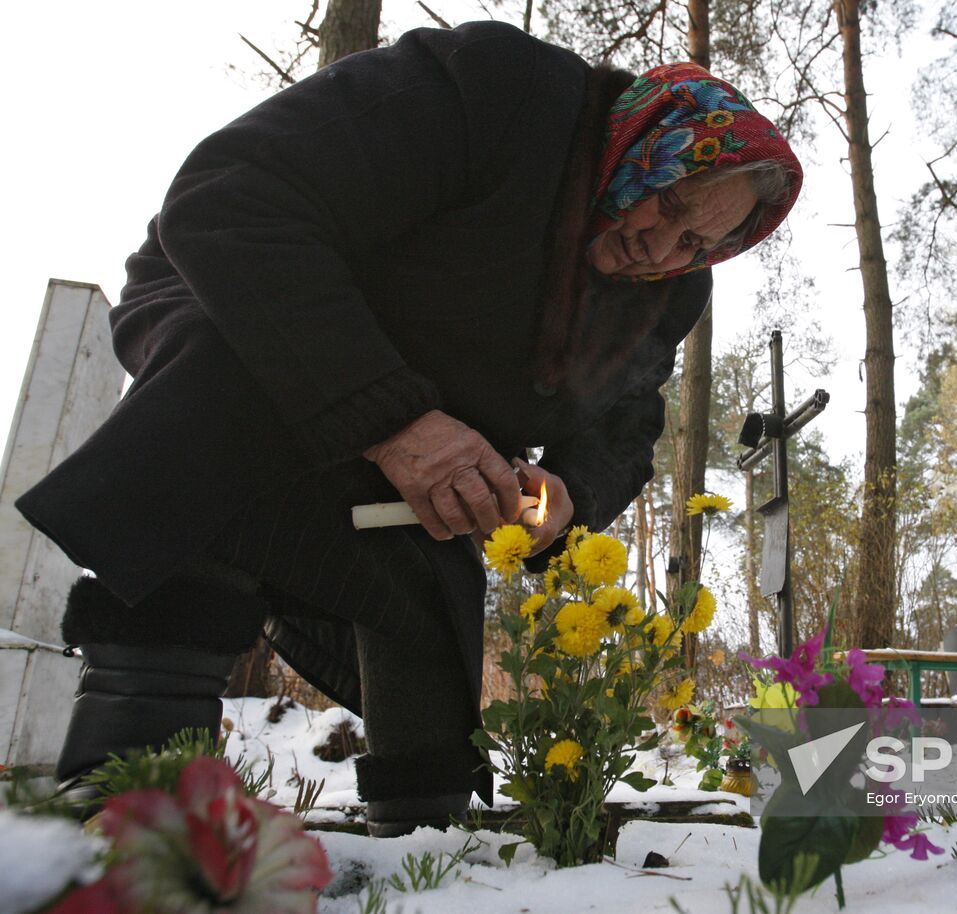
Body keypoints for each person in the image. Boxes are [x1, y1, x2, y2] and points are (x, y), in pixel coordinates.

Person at [17, 20, 801, 837]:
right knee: (226, 423)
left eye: (695, 240)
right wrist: (396, 422)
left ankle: (423, 836)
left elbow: (627, 420)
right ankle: (127, 795)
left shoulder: (673, 289)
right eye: (667, 198)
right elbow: (233, 198)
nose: (659, 245)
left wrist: (569, 495)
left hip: (426, 410)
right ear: (644, 139)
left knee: (431, 574)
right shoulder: (500, 92)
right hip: (242, 303)